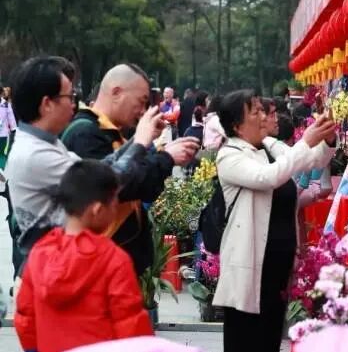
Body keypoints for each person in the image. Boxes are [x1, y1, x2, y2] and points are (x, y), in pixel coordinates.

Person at [6, 56, 163, 279]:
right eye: (69, 97)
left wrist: (139, 139)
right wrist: (141, 144)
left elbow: (96, 169)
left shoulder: (45, 143)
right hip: (57, 275)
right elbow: (103, 182)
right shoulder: (35, 154)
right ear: (47, 103)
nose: (74, 104)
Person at [213, 89, 336, 352]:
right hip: (249, 264)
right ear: (237, 125)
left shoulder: (270, 145)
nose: (264, 116)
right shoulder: (230, 155)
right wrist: (306, 141)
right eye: (255, 111)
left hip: (277, 265)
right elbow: (267, 177)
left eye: (262, 110)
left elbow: (311, 160)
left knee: (270, 339)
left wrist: (327, 139)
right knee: (245, 340)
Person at [61, 64, 199, 275]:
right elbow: (121, 186)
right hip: (99, 264)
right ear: (116, 92)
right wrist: (166, 157)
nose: (142, 111)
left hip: (120, 261)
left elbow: (146, 187)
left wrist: (157, 149)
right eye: (141, 102)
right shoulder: (85, 133)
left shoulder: (113, 132)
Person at [15, 160, 153, 352]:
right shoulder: (114, 259)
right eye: (114, 204)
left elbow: (26, 316)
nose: (116, 209)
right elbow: (130, 322)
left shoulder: (39, 253)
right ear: (97, 210)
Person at [0, 82, 17, 169]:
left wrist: (13, 128)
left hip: (3, 133)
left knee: (2, 152)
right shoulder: (6, 104)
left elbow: (11, 117)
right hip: (3, 133)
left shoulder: (6, 104)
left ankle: (2, 169)